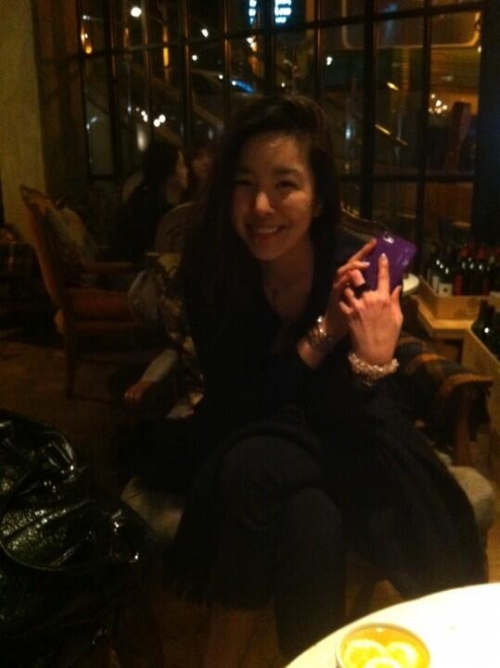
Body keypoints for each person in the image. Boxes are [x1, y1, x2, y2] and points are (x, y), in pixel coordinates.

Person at [120, 94, 485, 666]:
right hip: (252, 431)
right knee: (305, 513)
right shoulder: (214, 271)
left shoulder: (355, 269)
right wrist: (323, 334)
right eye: (244, 184)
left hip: (342, 432)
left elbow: (358, 413)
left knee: (255, 473)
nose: (260, 206)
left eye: (284, 184)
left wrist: (371, 359)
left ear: (318, 199)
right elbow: (240, 405)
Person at [112, 140, 188, 263]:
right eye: (181, 166)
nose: (186, 171)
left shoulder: (143, 196)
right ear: (169, 175)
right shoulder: (151, 209)